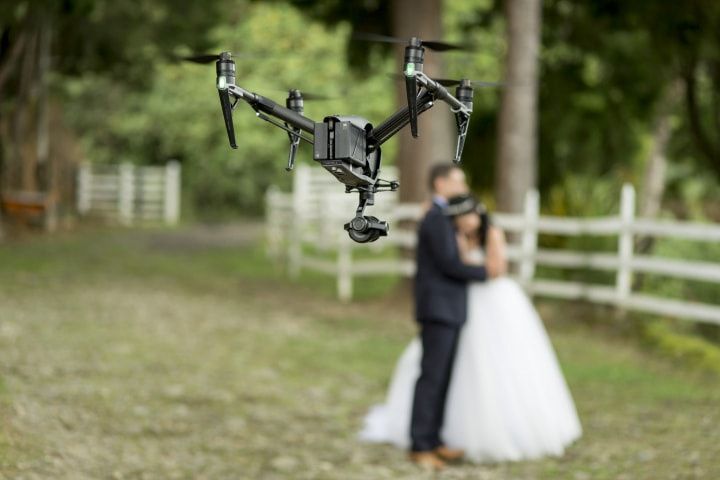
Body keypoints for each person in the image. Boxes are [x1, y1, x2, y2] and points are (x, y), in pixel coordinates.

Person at [360, 192, 582, 466]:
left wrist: (484, 272)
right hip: (458, 306)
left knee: (482, 367)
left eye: (470, 215)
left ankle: (436, 439)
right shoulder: (448, 230)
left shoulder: (490, 233)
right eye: (462, 218)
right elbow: (453, 264)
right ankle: (426, 442)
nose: (467, 221)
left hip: (488, 303)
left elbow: (494, 267)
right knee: (440, 373)